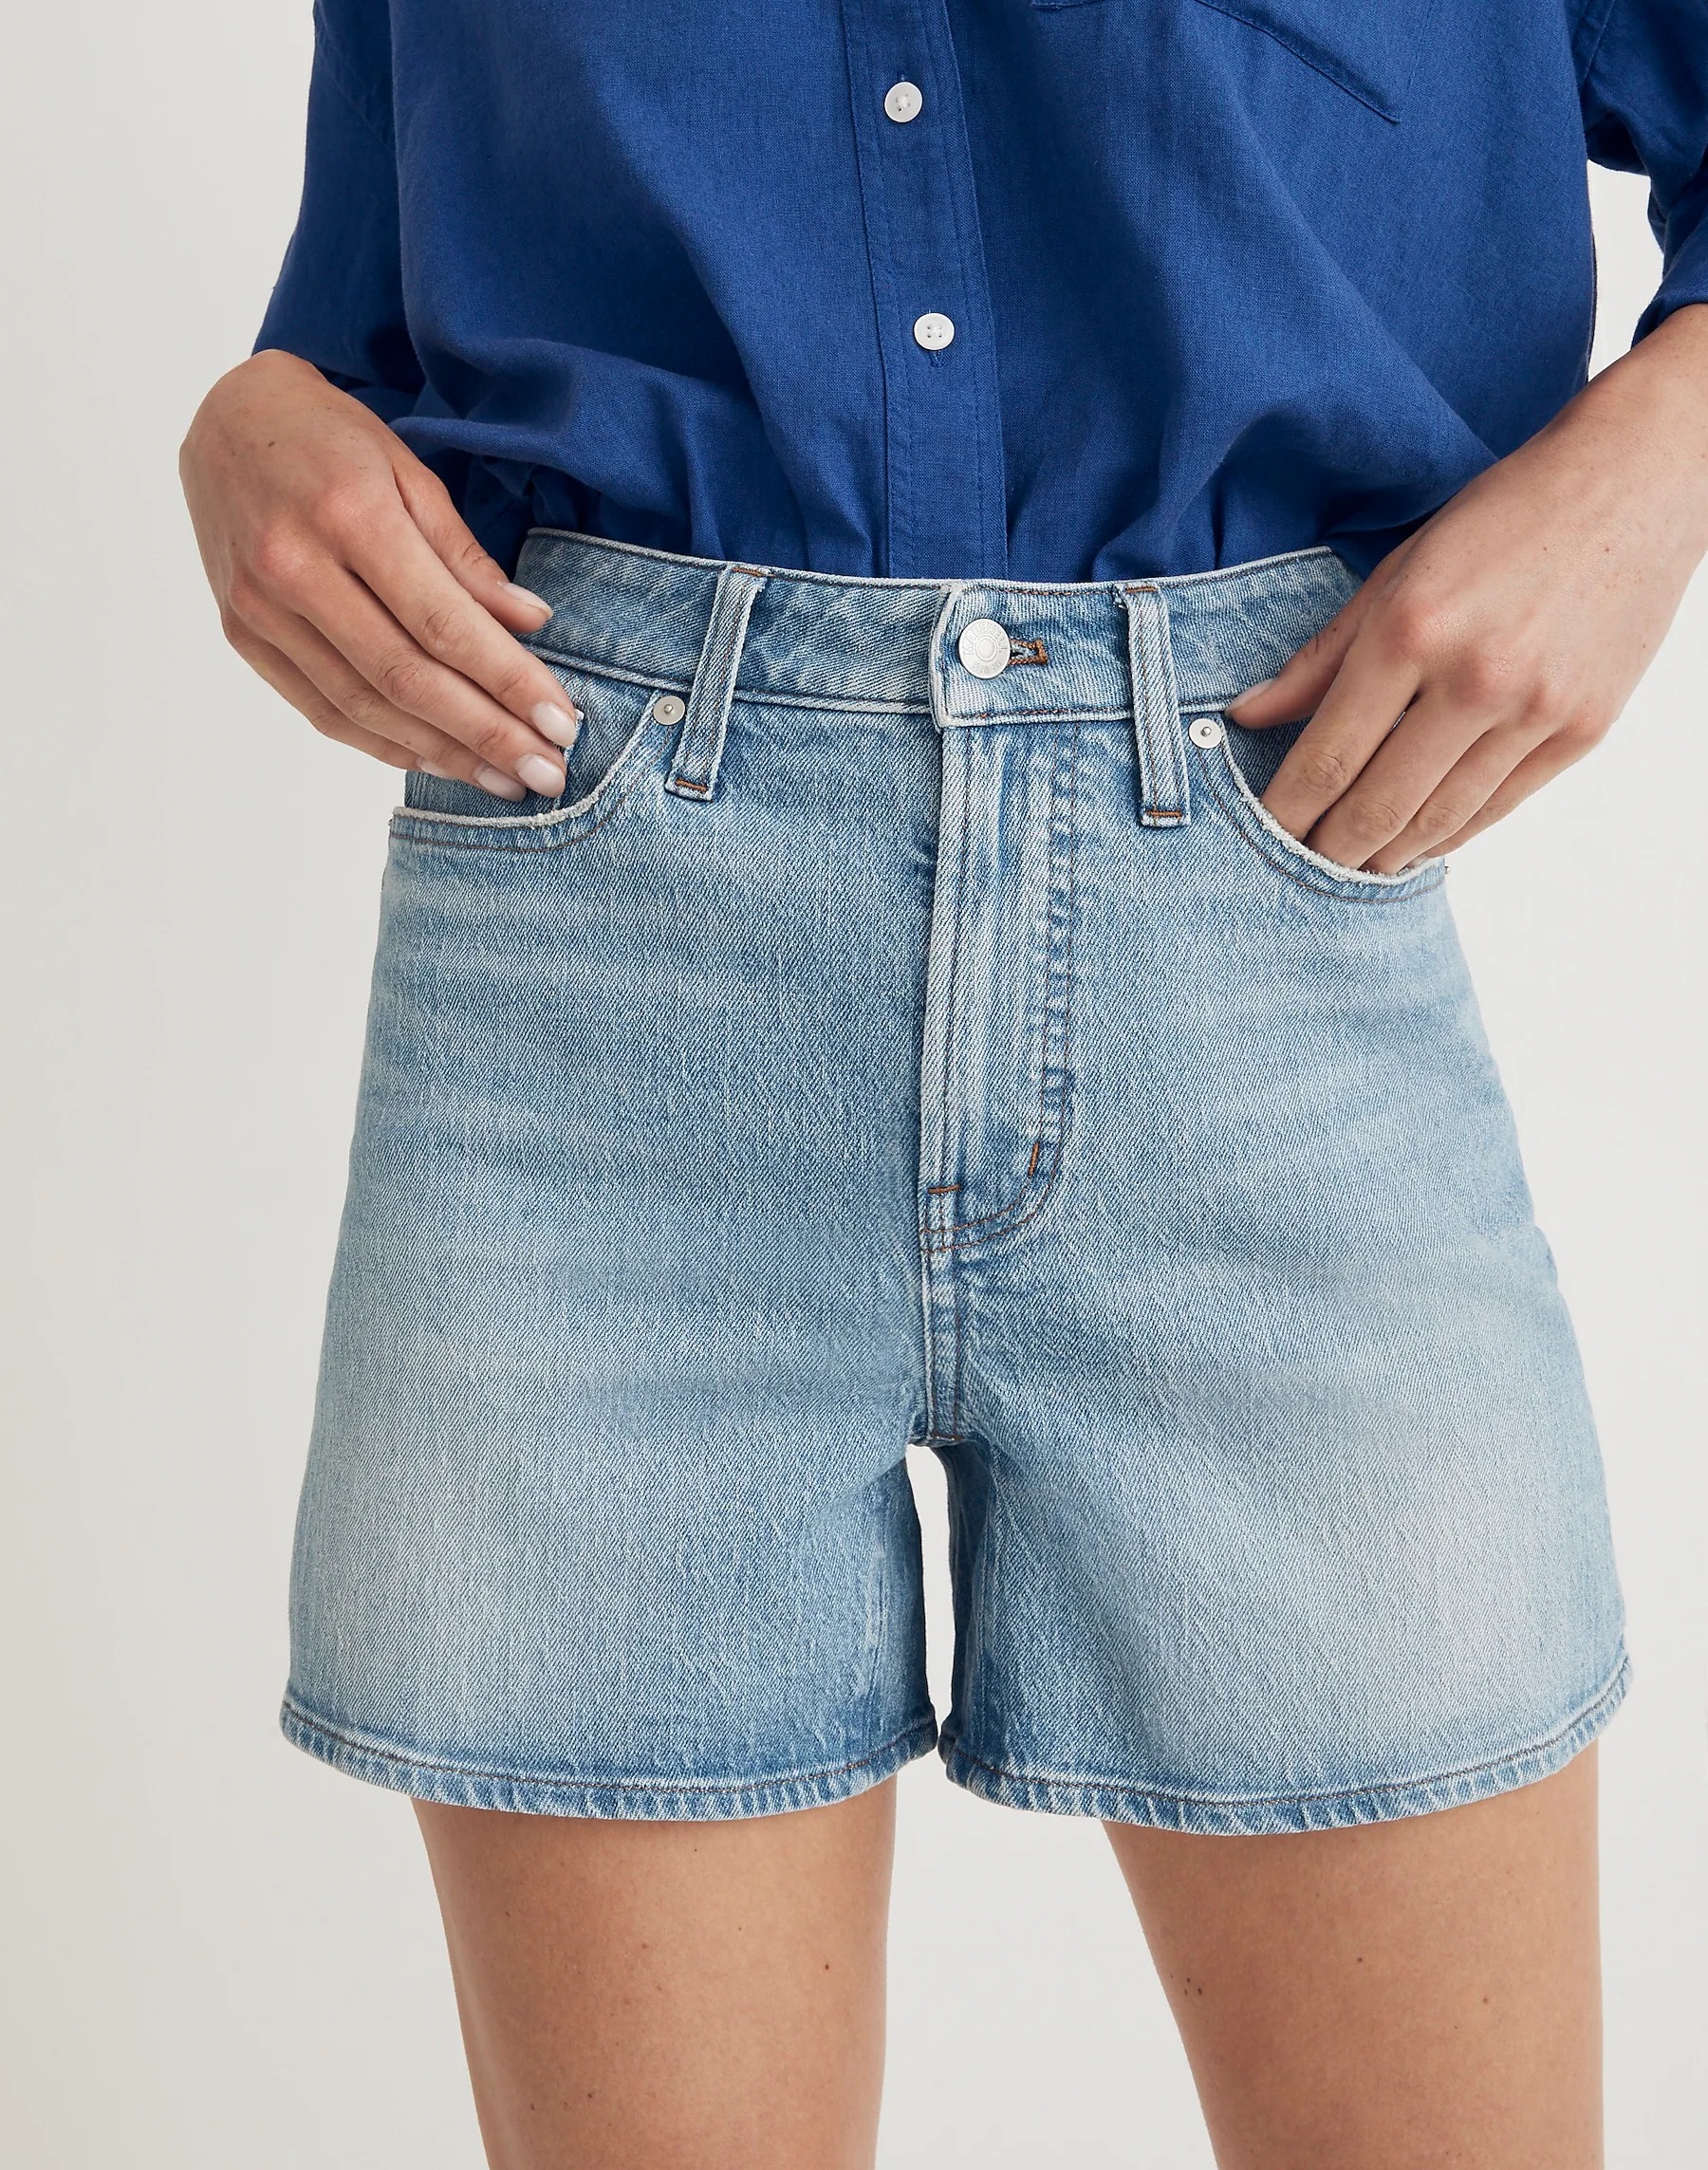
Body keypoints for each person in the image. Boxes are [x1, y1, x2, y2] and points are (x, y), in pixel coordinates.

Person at [180, 6, 1706, 2164]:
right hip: (602, 963)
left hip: (1265, 912)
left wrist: (1666, 458)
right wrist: (255, 418)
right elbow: (382, 260)